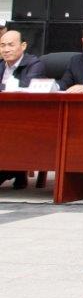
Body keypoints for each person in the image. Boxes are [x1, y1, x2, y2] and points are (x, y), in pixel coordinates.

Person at [0, 27, 43, 189]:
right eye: (2, 45)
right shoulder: (0, 65)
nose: (6, 49)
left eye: (11, 45)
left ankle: (12, 169)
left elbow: (26, 86)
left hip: (25, 118)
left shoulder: (35, 64)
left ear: (23, 46)